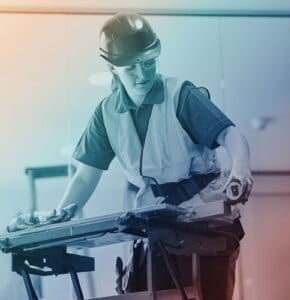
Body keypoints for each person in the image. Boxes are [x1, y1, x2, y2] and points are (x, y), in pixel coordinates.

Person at [9, 12, 253, 299]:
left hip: (204, 218)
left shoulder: (180, 95)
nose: (142, 74)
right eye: (131, 68)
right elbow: (87, 174)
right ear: (112, 68)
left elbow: (231, 136)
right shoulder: (106, 113)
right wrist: (60, 219)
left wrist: (240, 171)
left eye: (148, 64)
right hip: (158, 219)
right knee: (143, 290)